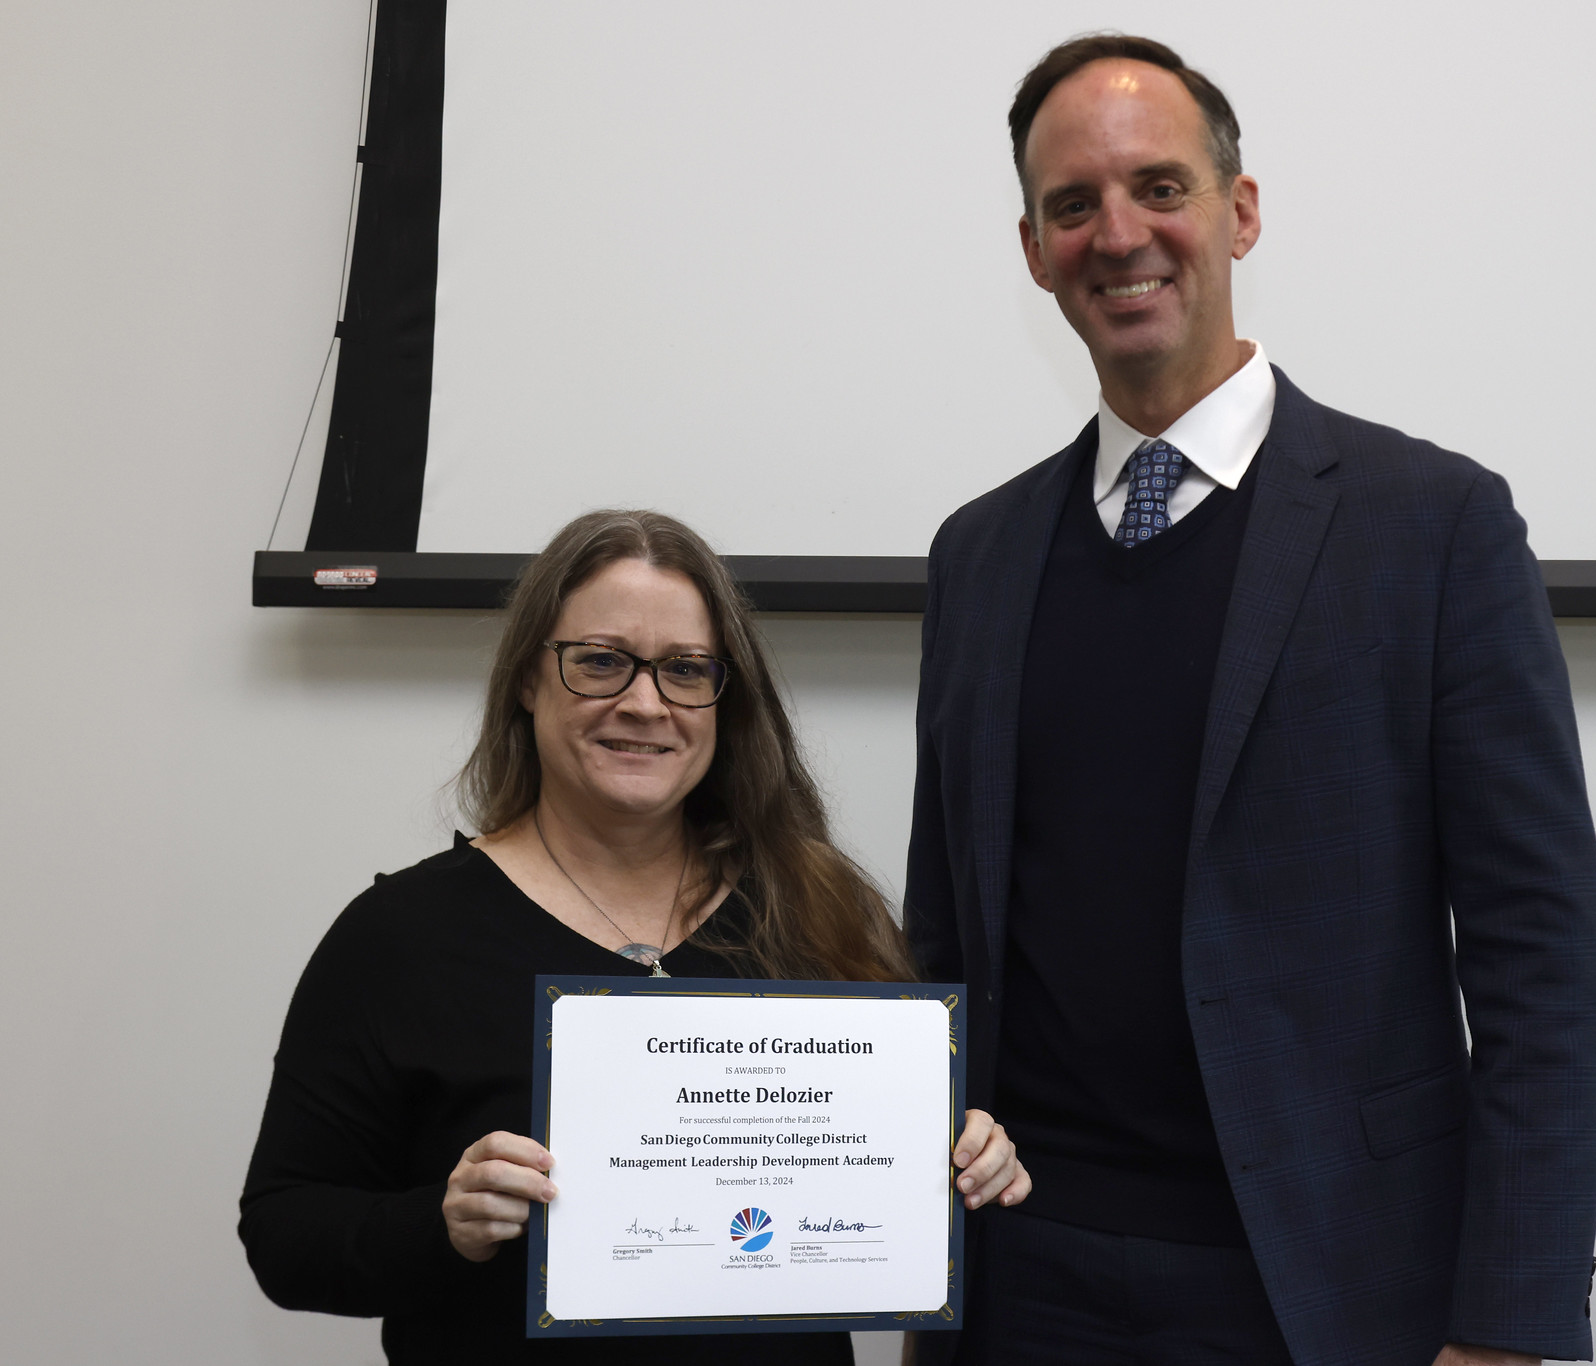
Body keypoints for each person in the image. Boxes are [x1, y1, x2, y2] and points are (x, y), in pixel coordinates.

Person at [904, 35, 1596, 1366]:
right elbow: (942, 930)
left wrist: (1508, 1323)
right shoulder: (979, 554)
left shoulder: (1433, 525)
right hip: (1021, 1279)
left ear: (1240, 209)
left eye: (1158, 187)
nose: (1120, 235)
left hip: (1327, 1283)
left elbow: (1543, 963)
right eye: (1074, 205)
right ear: (1032, 246)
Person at [241, 509, 1031, 1364]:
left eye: (687, 670)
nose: (645, 703)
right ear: (527, 680)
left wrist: (966, 1156)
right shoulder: (399, 937)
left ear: (726, 699)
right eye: (600, 661)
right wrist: (444, 1221)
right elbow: (285, 1234)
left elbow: (898, 1157)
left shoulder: (817, 906)